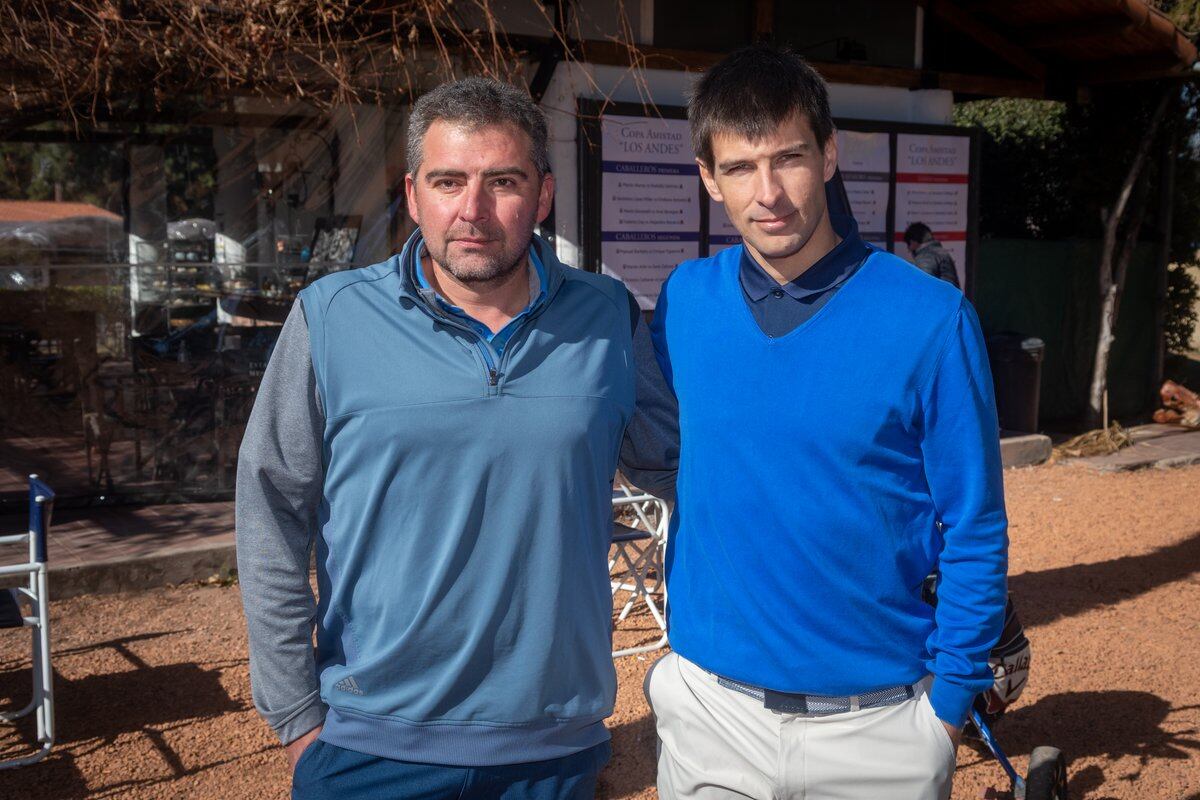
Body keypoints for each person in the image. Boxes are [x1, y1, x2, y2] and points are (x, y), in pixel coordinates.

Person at [235, 77, 677, 800]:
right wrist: (297, 717)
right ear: (413, 195)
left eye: (503, 182)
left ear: (542, 196)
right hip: (369, 745)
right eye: (448, 182)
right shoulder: (332, 318)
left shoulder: (606, 318)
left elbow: (685, 469)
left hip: (554, 749)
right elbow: (270, 507)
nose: (472, 211)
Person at [645, 45, 1008, 800]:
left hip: (877, 733)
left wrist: (945, 711)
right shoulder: (685, 302)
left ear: (830, 154)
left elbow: (974, 526)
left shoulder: (931, 320)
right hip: (711, 717)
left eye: (790, 158)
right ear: (708, 179)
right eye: (740, 168)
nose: (769, 192)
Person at [904, 221, 961, 288]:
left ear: (912, 241)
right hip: (950, 296)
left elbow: (923, 284)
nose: (909, 249)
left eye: (908, 244)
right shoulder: (940, 252)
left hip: (940, 296)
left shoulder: (926, 255)